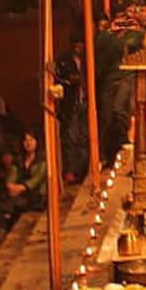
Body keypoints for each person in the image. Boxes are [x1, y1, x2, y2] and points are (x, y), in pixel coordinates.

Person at [55, 36, 89, 183]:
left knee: (84, 138)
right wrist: (69, 81)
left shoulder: (89, 59)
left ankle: (82, 171)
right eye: (77, 45)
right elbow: (58, 79)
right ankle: (70, 170)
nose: (79, 47)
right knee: (70, 138)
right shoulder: (63, 60)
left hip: (86, 101)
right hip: (71, 102)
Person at [4, 130, 47, 216]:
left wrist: (23, 187)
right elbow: (13, 173)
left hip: (37, 194)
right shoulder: (19, 159)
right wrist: (10, 185)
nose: (28, 143)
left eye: (31, 140)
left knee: (11, 205)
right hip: (20, 193)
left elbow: (38, 178)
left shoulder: (42, 158)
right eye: (26, 140)